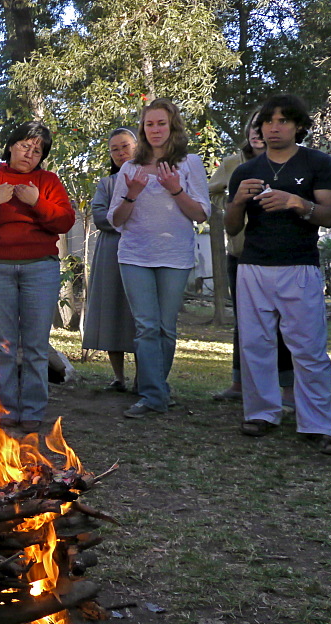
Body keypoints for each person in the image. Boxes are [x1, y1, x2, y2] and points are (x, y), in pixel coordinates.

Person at [225, 94, 331, 455]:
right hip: (253, 266)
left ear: (299, 126)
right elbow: (231, 227)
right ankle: (261, 414)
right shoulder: (245, 171)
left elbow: (329, 215)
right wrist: (238, 201)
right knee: (256, 345)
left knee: (308, 348)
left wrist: (297, 203)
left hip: (298, 265)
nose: (274, 127)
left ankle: (318, 422)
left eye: (283, 120)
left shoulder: (318, 162)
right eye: (268, 121)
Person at [0, 121, 76, 433]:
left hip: (41, 268)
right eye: (25, 145)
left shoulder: (47, 181)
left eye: (37, 150)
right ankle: (6, 408)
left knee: (36, 345)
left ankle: (34, 410)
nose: (30, 153)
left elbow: (65, 221)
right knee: (3, 343)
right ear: (11, 146)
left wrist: (36, 202)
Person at [108, 98, 210, 418]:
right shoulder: (129, 168)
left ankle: (159, 388)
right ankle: (152, 395)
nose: (155, 130)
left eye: (161, 123)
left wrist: (176, 189)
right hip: (135, 255)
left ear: (172, 126)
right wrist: (132, 193)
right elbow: (116, 220)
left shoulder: (190, 163)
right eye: (149, 124)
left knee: (166, 327)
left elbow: (201, 214)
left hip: (175, 256)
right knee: (146, 327)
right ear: (142, 128)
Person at [209, 116, 295, 408]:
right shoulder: (234, 163)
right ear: (248, 132)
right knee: (244, 324)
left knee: (284, 323)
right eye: (254, 127)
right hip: (241, 254)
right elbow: (212, 189)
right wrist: (232, 203)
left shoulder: (287, 165)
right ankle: (239, 383)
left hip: (283, 256)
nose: (258, 133)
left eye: (265, 126)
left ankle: (288, 389)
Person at [82, 128, 138, 392]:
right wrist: (127, 218)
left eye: (124, 146)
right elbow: (101, 216)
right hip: (110, 254)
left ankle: (143, 378)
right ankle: (119, 377)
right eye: (114, 149)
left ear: (137, 147)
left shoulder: (151, 179)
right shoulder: (107, 184)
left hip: (142, 252)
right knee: (113, 311)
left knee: (138, 314)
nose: (120, 153)